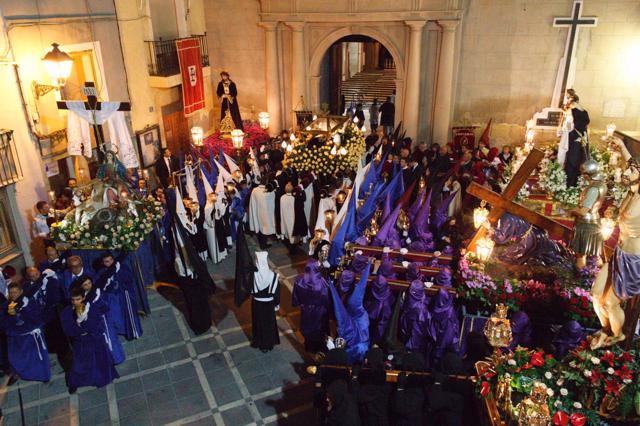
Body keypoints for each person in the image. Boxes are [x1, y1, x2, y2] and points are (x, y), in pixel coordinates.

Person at [590, 139, 640, 349]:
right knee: (595, 295)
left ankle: (617, 338)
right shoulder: (632, 192)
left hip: (634, 260)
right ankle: (606, 329)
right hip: (619, 252)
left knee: (610, 302)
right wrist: (620, 144)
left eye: (631, 171)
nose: (626, 174)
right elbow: (632, 162)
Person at [60, 284, 119, 392]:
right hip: (80, 342)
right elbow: (68, 330)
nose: (75, 302)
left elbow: (96, 324)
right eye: (73, 300)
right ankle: (75, 382)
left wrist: (85, 320)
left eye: (78, 299)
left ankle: (103, 379)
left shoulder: (91, 308)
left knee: (101, 360)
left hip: (95, 338)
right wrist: (79, 322)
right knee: (79, 364)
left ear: (83, 298)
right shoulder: (66, 312)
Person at [2, 282, 51, 383]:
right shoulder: (5, 306)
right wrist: (10, 315)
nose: (13, 295)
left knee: (36, 357)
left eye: (16, 292)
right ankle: (17, 374)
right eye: (11, 293)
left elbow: (38, 317)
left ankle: (43, 375)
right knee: (14, 357)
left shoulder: (30, 301)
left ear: (21, 292)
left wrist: (26, 308)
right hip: (16, 336)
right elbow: (3, 323)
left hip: (30, 335)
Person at [570, 159, 607, 269]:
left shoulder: (593, 189)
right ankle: (598, 278)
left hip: (586, 224)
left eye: (583, 174)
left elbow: (583, 211)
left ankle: (579, 280)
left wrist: (571, 211)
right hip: (595, 221)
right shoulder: (601, 184)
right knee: (595, 253)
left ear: (587, 175)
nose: (582, 176)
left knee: (581, 254)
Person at [97, 252, 143, 341]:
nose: (110, 263)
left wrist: (118, 272)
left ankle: (131, 331)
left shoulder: (122, 267)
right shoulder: (101, 272)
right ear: (103, 263)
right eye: (107, 261)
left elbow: (129, 278)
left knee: (127, 314)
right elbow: (100, 285)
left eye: (111, 260)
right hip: (111, 298)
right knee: (116, 316)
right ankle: (120, 331)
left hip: (123, 296)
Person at [292, 260, 330, 353]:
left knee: (307, 327)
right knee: (319, 328)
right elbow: (326, 298)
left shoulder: (299, 280)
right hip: (319, 310)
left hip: (306, 308)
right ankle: (318, 347)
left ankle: (309, 346)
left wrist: (298, 303)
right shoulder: (322, 282)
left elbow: (296, 295)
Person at [250, 251, 280, 352]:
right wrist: (276, 304)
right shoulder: (273, 275)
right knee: (269, 324)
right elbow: (276, 293)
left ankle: (260, 342)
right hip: (269, 304)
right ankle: (269, 343)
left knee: (258, 323)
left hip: (257, 304)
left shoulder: (253, 276)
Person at [563, 89, 590, 187]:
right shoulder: (582, 111)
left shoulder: (573, 110)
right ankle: (573, 183)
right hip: (579, 137)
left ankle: (570, 184)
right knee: (576, 160)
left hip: (575, 138)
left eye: (568, 97)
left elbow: (570, 126)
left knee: (572, 161)